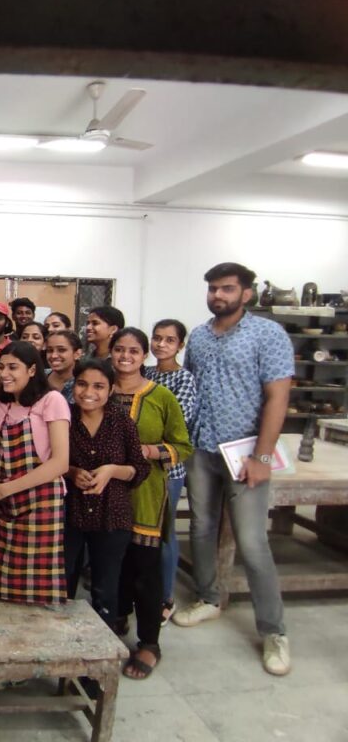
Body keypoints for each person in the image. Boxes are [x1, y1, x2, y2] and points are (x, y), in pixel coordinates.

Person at [172, 262, 293, 677]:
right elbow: (191, 389)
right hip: (201, 449)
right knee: (201, 528)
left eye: (226, 288)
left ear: (246, 293)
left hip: (244, 453)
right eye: (212, 289)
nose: (218, 295)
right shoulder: (200, 336)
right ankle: (208, 598)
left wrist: (263, 456)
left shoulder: (268, 334)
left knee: (252, 541)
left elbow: (278, 397)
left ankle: (274, 631)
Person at [109, 327, 192, 681]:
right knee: (112, 563)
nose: (125, 356)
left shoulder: (161, 396)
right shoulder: (100, 389)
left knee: (145, 568)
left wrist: (150, 451)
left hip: (145, 494)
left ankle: (149, 643)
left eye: (133, 351)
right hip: (105, 493)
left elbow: (183, 446)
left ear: (144, 355)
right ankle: (116, 617)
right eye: (119, 349)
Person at [0, 342, 70, 605]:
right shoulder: (3, 404)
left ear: (32, 370)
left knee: (35, 592)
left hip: (41, 505)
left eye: (13, 367)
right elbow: (2, 456)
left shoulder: (52, 401)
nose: (4, 373)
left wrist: (3, 490)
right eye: (1, 367)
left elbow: (60, 463)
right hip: (7, 506)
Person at [64, 358, 150, 630]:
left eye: (98, 386)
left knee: (105, 587)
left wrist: (112, 471)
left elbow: (140, 468)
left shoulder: (121, 421)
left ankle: (103, 644)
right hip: (69, 512)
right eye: (82, 384)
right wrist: (72, 472)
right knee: (62, 582)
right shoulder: (64, 418)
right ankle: (62, 641)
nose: (89, 392)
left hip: (112, 514)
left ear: (111, 389)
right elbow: (47, 460)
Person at [145, 318, 199, 625]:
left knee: (165, 533)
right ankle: (143, 589)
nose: (161, 344)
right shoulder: (146, 373)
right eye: (157, 338)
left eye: (169, 340)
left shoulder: (184, 379)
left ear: (180, 345)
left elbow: (177, 421)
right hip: (140, 466)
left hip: (168, 467)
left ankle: (166, 596)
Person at [45, 330, 82, 404]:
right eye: (50, 350)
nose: (54, 356)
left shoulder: (83, 383)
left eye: (61, 350)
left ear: (77, 354)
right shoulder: (38, 377)